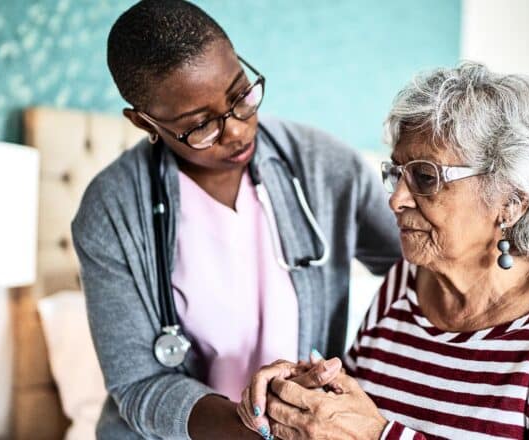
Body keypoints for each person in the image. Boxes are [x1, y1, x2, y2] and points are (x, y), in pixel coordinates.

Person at [239, 62, 529, 439]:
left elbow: (368, 431)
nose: (395, 199)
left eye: (424, 176)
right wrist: (305, 397)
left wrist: (377, 437)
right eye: (396, 173)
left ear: (511, 200)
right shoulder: (405, 284)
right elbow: (353, 415)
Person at [70, 0, 401, 438]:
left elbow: (421, 269)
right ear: (144, 121)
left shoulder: (326, 167)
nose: (238, 130)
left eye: (240, 95)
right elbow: (139, 385)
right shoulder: (112, 211)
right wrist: (267, 429)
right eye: (201, 125)